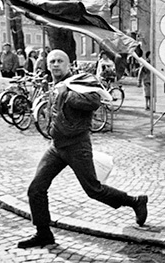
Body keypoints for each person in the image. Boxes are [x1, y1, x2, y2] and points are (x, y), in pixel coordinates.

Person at [17, 50, 148, 249]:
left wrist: (67, 95)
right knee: (36, 188)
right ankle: (43, 233)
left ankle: (135, 201)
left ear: (68, 65)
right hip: (57, 147)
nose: (55, 65)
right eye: (52, 61)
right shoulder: (54, 85)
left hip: (77, 146)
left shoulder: (78, 82)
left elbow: (95, 101)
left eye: (60, 61)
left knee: (93, 190)